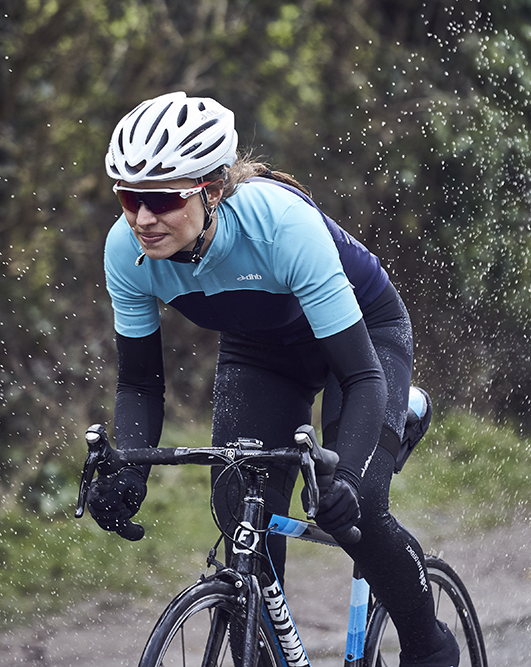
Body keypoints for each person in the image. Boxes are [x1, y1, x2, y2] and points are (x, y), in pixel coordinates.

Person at [86, 91, 458, 667]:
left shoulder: (281, 226)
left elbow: (361, 374)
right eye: (129, 197)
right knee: (238, 508)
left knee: (357, 506)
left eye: (161, 199)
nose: (142, 218)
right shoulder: (126, 250)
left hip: (361, 341)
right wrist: (128, 474)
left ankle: (430, 645)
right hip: (261, 349)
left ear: (212, 189)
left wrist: (347, 480)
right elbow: (139, 385)